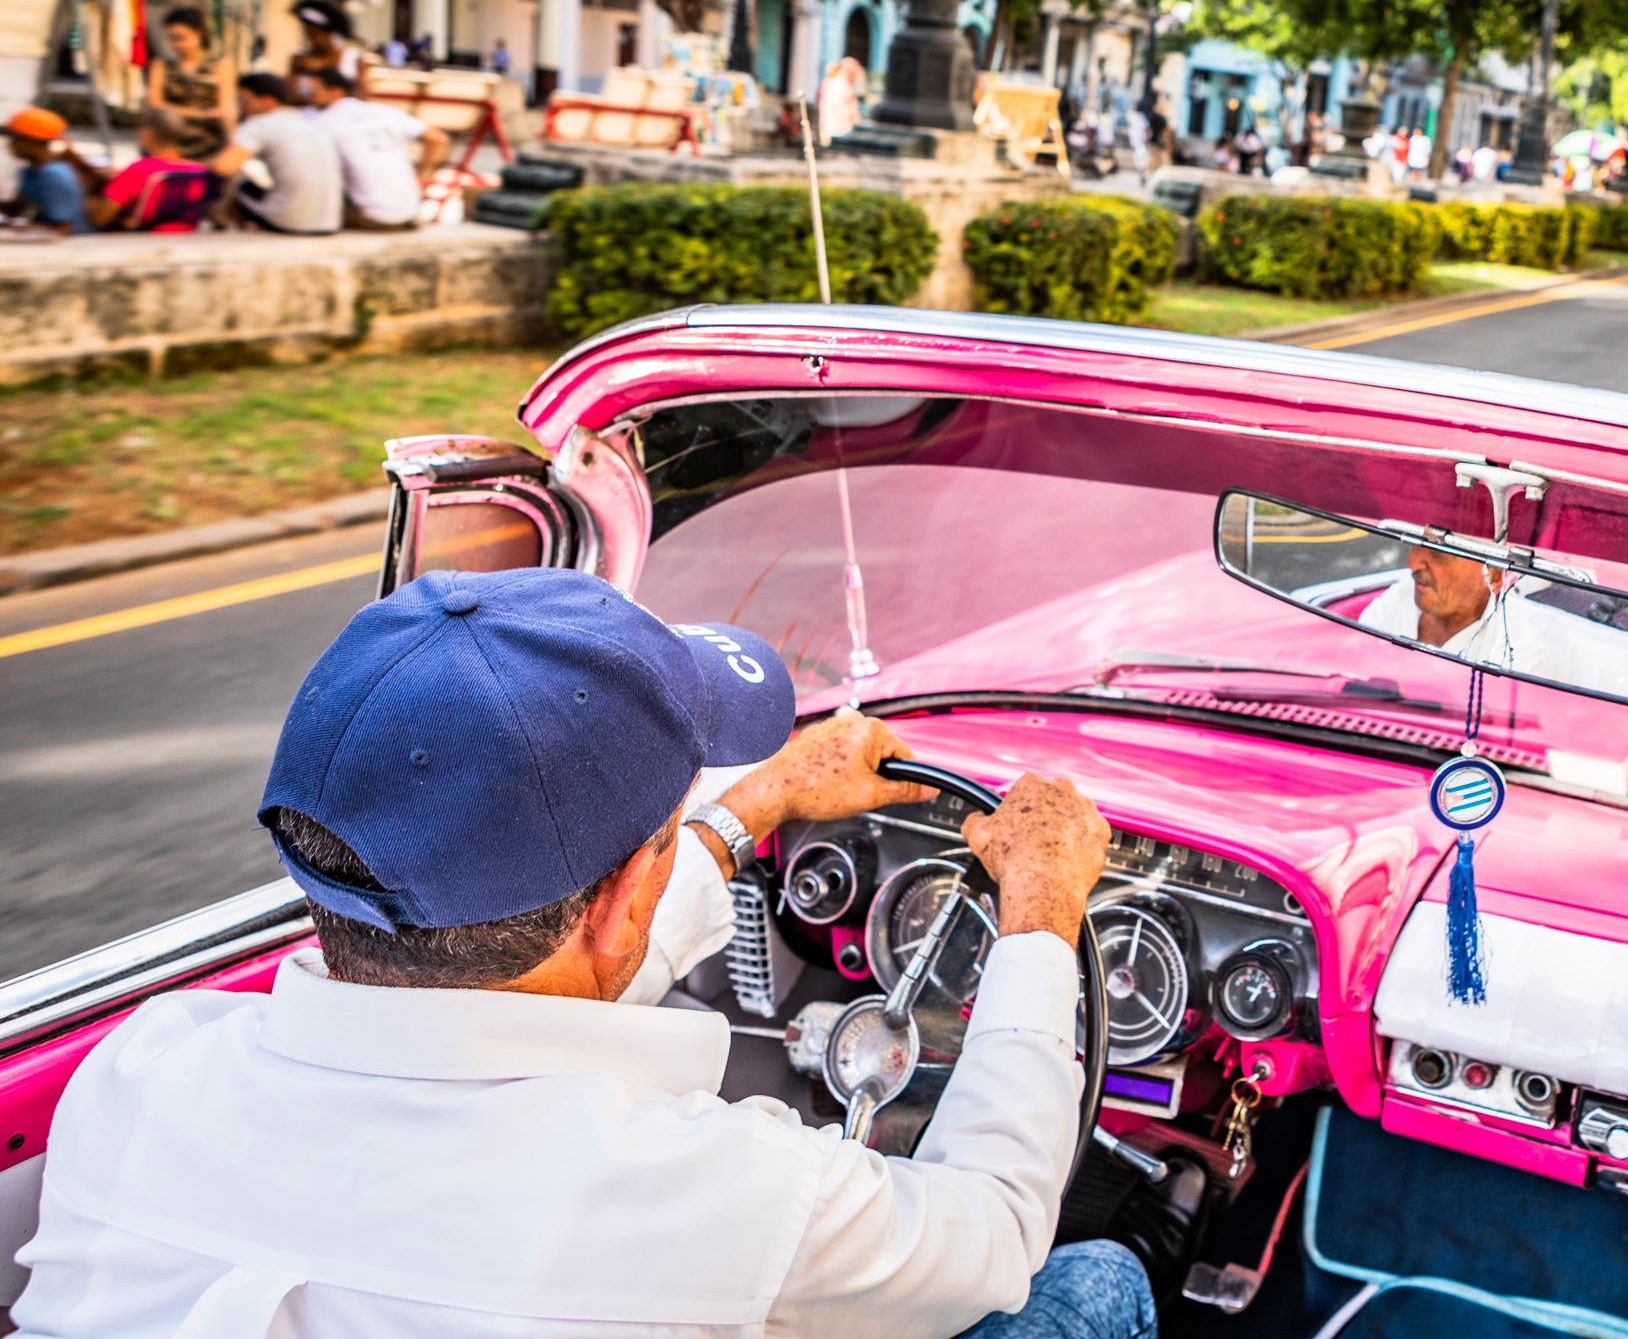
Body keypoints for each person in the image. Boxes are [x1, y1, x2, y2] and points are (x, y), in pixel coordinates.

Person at [12, 567, 1150, 1339]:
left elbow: (507, 982)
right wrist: (1043, 908)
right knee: (1095, 1281)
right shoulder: (727, 1191)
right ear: (625, 898)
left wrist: (747, 809)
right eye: (660, 841)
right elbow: (997, 1225)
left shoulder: (141, 1074)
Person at [1358, 543, 1551, 677]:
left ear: (1492, 575)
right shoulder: (1401, 595)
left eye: (1439, 552)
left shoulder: (1520, 653)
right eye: (1415, 543)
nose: (1411, 562)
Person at [296, 65, 445, 231]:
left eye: (313, 93)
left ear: (335, 92)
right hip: (410, 212)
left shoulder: (322, 120)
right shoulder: (383, 111)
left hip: (375, 218)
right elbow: (436, 138)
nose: (309, 98)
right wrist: (421, 173)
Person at [226, 73, 344, 234]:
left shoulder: (259, 124)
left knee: (235, 183)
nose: (242, 107)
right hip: (330, 224)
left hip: (289, 224)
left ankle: (227, 228)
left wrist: (227, 121)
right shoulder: (308, 122)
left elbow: (224, 166)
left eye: (245, 100)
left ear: (267, 101)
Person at [93, 109, 221, 232]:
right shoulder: (199, 171)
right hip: (186, 237)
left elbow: (100, 218)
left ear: (148, 135)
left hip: (139, 242)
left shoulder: (138, 169)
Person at [146, 6, 236, 163]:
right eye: (172, 38)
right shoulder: (161, 66)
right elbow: (154, 105)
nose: (177, 44)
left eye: (181, 37)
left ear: (198, 32)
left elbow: (227, 110)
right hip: (170, 148)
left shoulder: (220, 66)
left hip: (210, 147)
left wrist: (233, 144)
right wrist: (201, 114)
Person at [3, 107, 102, 234]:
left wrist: (17, 229)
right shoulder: (29, 171)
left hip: (74, 245)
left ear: (32, 141)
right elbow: (15, 209)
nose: (9, 145)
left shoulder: (54, 175)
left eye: (15, 138)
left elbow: (63, 228)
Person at [289, 0, 365, 89]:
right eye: (306, 34)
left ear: (329, 33)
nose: (310, 40)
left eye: (314, 34)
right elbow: (289, 98)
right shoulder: (300, 61)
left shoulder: (353, 59)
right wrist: (296, 69)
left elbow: (361, 97)